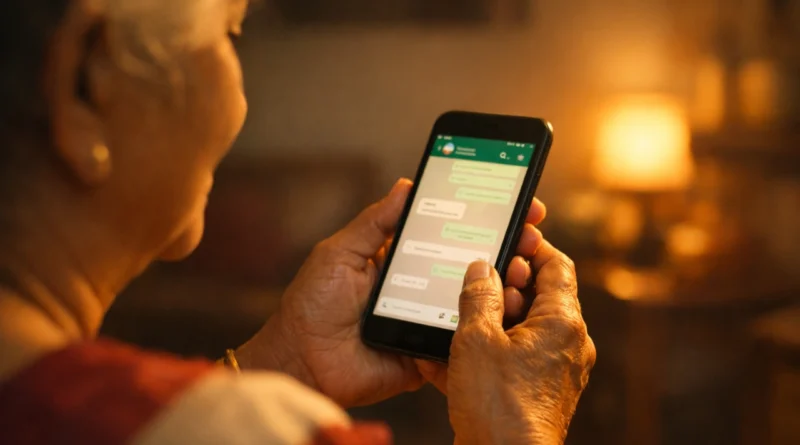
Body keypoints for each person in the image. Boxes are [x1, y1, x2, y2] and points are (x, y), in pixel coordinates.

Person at [0, 0, 596, 444]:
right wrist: (518, 427)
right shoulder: (261, 434)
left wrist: (285, 362)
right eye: (231, 35)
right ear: (86, 80)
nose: (242, 103)